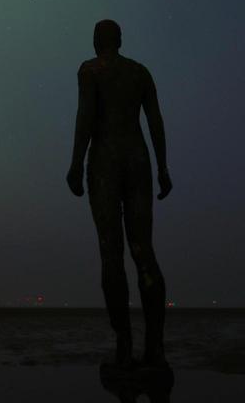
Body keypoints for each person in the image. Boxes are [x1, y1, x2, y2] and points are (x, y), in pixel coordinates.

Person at [66, 19, 172, 370]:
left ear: (97, 41)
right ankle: (154, 346)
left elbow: (86, 116)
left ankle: (125, 343)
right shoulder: (139, 72)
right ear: (120, 40)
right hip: (138, 160)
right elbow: (155, 121)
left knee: (111, 254)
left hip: (106, 163)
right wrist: (162, 167)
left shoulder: (90, 70)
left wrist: (76, 163)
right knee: (143, 251)